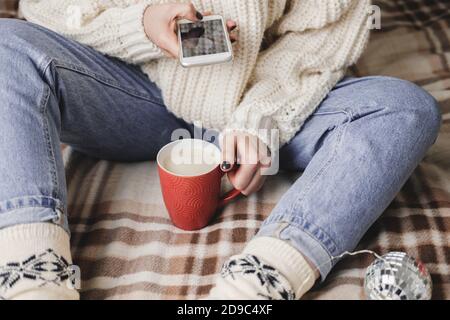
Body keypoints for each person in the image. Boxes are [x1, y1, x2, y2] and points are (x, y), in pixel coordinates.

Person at [0, 0, 441, 299]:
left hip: (262, 103)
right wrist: (141, 23)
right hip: (131, 93)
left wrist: (261, 116)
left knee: (405, 109)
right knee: (6, 44)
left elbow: (321, 36)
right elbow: (44, 7)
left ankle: (255, 287)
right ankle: (33, 278)